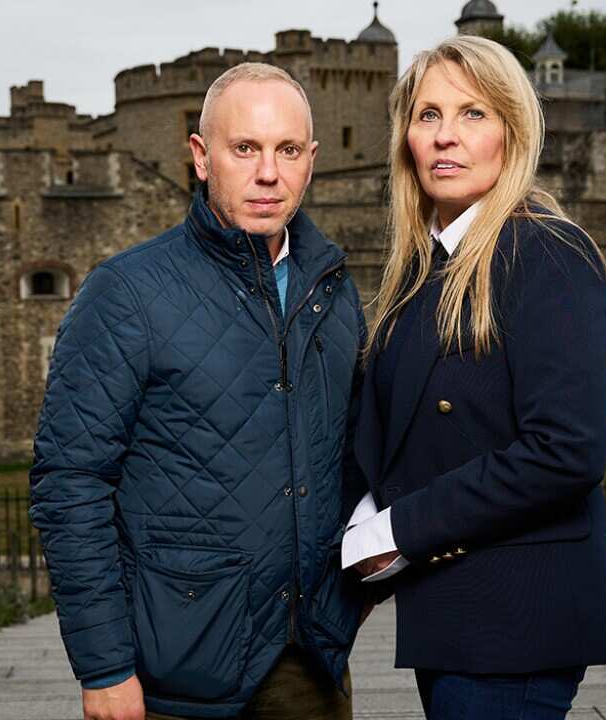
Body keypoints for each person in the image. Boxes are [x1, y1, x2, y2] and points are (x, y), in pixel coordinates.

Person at [31, 62, 368, 720]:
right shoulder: (126, 293)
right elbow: (70, 479)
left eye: (287, 150)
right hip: (176, 670)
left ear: (311, 160)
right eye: (245, 148)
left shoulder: (331, 287)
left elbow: (346, 452)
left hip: (307, 662)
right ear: (201, 156)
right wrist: (104, 666)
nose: (268, 173)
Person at [341, 35, 606, 719]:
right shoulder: (426, 270)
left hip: (517, 622)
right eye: (428, 115)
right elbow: (399, 425)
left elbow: (566, 450)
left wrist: (398, 530)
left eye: (473, 114)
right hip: (456, 619)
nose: (446, 137)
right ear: (405, 137)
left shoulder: (545, 251)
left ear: (512, 131)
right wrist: (359, 512)